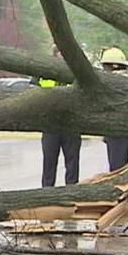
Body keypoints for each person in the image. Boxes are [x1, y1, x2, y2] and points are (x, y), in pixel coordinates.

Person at [31, 45, 82, 187]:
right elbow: (33, 94)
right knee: (49, 162)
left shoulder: (76, 72)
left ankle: (71, 192)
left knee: (72, 163)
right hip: (50, 124)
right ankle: (47, 192)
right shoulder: (43, 71)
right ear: (55, 54)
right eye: (61, 52)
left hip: (71, 124)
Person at [99, 46, 128, 172]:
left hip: (117, 130)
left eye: (105, 66)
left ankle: (121, 189)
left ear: (113, 65)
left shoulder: (112, 83)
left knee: (117, 167)